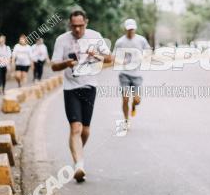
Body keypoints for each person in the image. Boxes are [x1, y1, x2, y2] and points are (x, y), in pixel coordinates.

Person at [50, 10, 113, 182]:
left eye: (81, 26)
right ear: (70, 25)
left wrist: (96, 55)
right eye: (74, 26)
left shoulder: (95, 36)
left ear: (86, 22)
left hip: (89, 86)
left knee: (85, 130)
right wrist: (66, 63)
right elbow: (54, 66)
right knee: (75, 128)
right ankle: (79, 165)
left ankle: (78, 156)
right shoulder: (62, 40)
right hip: (71, 88)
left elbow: (110, 58)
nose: (77, 30)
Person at [113, 19, 150, 126]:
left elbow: (148, 51)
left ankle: (133, 106)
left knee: (137, 100)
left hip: (137, 75)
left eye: (132, 29)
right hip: (124, 74)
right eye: (129, 29)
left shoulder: (141, 40)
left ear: (135, 28)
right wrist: (121, 61)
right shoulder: (120, 42)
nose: (131, 31)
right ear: (125, 29)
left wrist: (144, 56)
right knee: (125, 98)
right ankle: (126, 120)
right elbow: (114, 56)